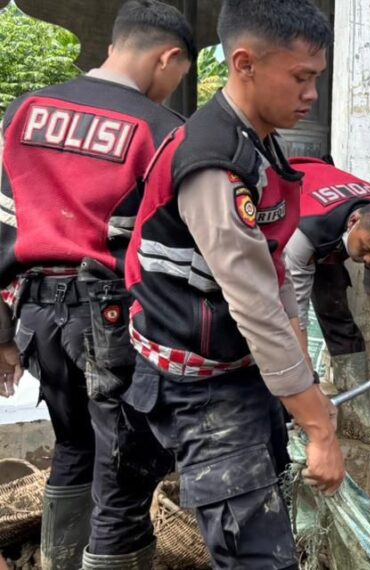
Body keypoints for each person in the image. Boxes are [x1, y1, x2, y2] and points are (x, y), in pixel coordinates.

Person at [122, 1, 342, 566]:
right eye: (301, 77)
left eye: (315, 78)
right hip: (202, 385)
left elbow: (272, 276)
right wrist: (319, 427)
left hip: (235, 367)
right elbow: (255, 305)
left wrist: (304, 383)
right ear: (244, 63)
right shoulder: (214, 163)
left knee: (263, 503)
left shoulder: (255, 143)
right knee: (256, 554)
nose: (312, 94)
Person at [0, 2, 194, 567]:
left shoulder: (24, 111)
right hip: (111, 320)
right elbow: (170, 251)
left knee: (74, 446)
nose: (172, 87)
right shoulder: (161, 130)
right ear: (169, 57)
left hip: (35, 315)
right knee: (123, 477)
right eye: (179, 76)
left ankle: (59, 561)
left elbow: (1, 228)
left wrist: (3, 335)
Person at [285, 156, 370, 447]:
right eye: (366, 250)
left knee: (337, 311)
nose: (369, 260)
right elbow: (296, 308)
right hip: (280, 229)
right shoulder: (306, 234)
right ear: (354, 222)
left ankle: (357, 416)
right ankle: (288, 412)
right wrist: (305, 378)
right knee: (274, 327)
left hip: (329, 233)